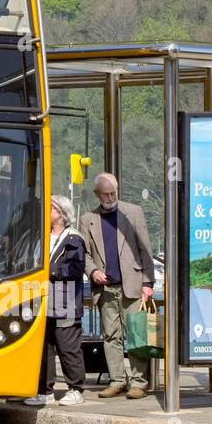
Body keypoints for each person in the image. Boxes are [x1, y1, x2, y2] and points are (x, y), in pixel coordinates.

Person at [81, 172, 155, 399]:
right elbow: (83, 253)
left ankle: (139, 383)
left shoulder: (133, 212)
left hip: (132, 284)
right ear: (97, 194)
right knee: (111, 336)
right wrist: (93, 271)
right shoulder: (87, 219)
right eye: (106, 194)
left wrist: (147, 282)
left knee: (136, 334)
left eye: (113, 192)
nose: (111, 197)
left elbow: (145, 249)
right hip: (105, 288)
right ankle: (117, 380)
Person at [26, 195, 87, 406]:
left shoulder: (74, 239)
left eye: (50, 208)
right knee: (45, 347)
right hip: (43, 299)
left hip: (66, 301)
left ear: (61, 213)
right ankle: (45, 389)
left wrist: (48, 269)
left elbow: (75, 269)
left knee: (68, 346)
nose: (46, 211)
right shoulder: (40, 236)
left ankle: (76, 388)